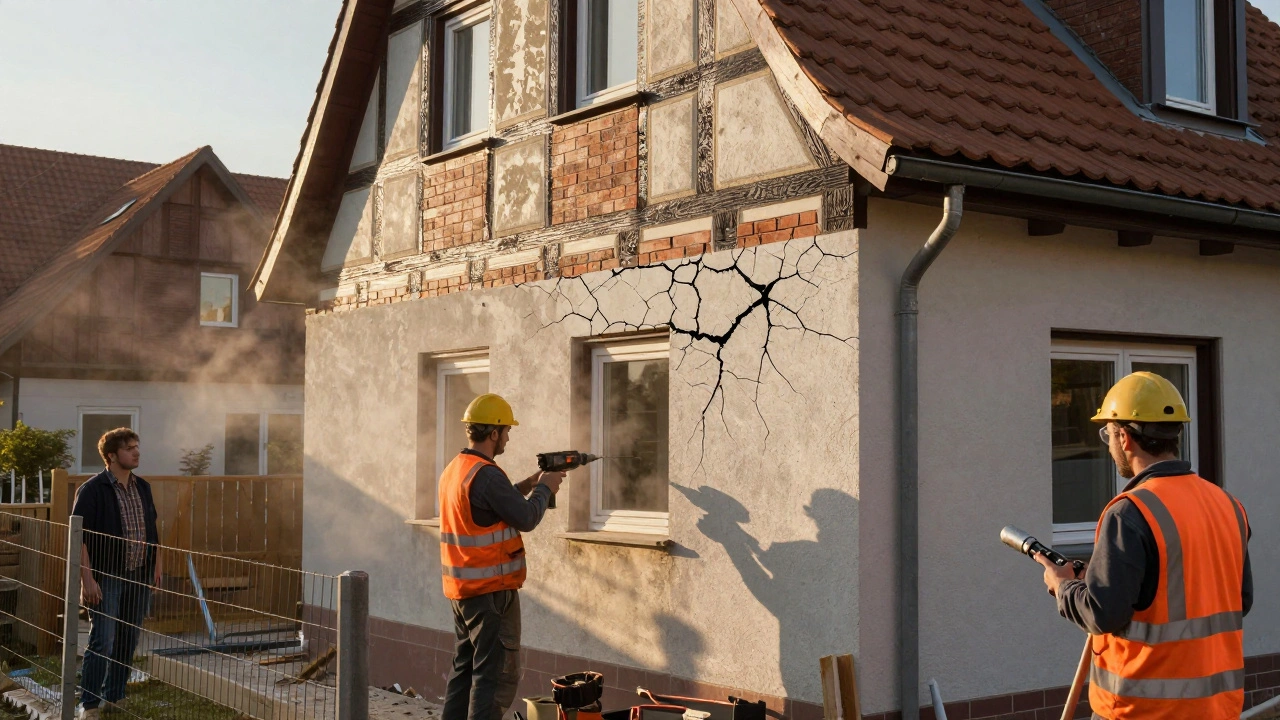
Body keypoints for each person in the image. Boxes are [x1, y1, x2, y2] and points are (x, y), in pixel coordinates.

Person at [1033, 372, 1252, 719]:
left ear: (1124, 437)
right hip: (1216, 708)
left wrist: (1062, 586)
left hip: (1143, 711)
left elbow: (1101, 613)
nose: (1108, 444)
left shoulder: (1129, 512)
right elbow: (1238, 600)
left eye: (1108, 434)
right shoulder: (1228, 505)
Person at [439, 393, 564, 720]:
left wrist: (530, 482)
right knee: (491, 678)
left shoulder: (457, 469)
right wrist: (546, 488)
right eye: (506, 430)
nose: (508, 436)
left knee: (463, 672)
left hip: (462, 592)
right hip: (491, 593)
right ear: (493, 433)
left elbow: (495, 502)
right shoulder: (487, 474)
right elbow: (525, 518)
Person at [71, 428, 161, 720]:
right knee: (103, 639)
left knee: (128, 637)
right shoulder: (93, 489)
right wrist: (87, 579)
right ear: (111, 455)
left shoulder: (142, 487)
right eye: (129, 448)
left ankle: (116, 696)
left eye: (137, 446)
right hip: (106, 575)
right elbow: (79, 538)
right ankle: (89, 704)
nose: (136, 452)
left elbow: (153, 531)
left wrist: (156, 566)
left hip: (138, 575)